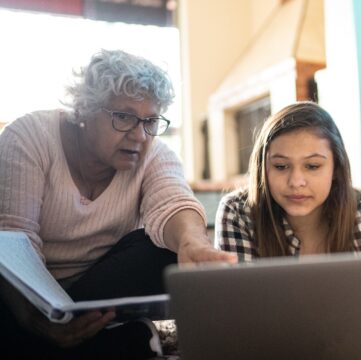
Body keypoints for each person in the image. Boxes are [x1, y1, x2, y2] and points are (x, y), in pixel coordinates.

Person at [0, 49, 236, 359]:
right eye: (123, 117)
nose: (139, 135)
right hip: (26, 294)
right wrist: (37, 320)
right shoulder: (29, 137)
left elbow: (173, 202)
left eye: (150, 120)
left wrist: (192, 243)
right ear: (84, 111)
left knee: (165, 250)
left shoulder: (153, 153)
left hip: (96, 289)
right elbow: (13, 243)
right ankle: (103, 343)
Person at [215, 101, 361, 261]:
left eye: (312, 166)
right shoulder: (238, 212)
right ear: (263, 168)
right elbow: (241, 303)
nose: (296, 182)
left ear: (336, 169)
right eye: (281, 166)